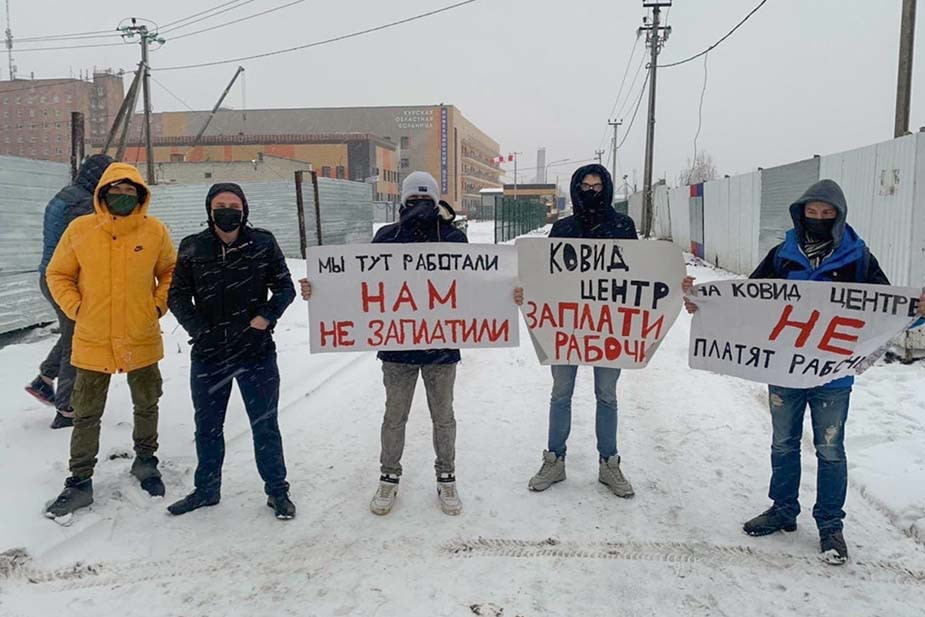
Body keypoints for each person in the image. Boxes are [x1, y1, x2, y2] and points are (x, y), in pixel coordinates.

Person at [682, 178, 925, 565]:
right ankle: (783, 510)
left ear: (839, 216)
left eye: (827, 213)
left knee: (830, 449)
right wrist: (703, 303)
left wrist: (918, 312)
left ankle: (830, 525)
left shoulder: (859, 258)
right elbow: (746, 302)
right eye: (812, 212)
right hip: (784, 370)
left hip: (833, 376)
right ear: (800, 214)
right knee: (783, 443)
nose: (818, 218)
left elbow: (885, 311)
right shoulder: (782, 255)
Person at [300, 171, 467, 516]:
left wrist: (506, 292)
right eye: (414, 198)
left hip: (441, 346)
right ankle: (389, 477)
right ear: (403, 200)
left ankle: (446, 477)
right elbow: (359, 283)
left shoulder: (453, 238)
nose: (419, 204)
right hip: (397, 347)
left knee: (443, 417)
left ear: (436, 200)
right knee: (394, 416)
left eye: (426, 199)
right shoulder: (387, 237)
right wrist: (321, 288)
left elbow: (474, 285)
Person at [43, 163, 176, 518]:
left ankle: (146, 462)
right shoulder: (80, 229)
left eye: (131, 191)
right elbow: (57, 273)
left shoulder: (154, 231)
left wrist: (157, 305)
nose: (123, 196)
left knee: (147, 402)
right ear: (102, 193)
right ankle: (79, 481)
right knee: (86, 412)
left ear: (141, 195)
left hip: (140, 334)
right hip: (93, 337)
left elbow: (170, 271)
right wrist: (77, 308)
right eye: (116, 190)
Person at [166, 183, 297, 520]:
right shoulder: (193, 247)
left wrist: (265, 318)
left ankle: (277, 491)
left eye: (234, 206)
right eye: (220, 206)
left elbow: (285, 287)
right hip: (210, 354)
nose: (227, 211)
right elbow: (177, 296)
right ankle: (207, 490)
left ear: (244, 210)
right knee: (207, 427)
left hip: (256, 351)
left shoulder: (262, 243)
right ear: (209, 211)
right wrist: (199, 330)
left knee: (265, 425)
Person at [514, 164, 638, 498]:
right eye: (585, 186)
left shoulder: (623, 226)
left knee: (607, 395)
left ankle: (609, 463)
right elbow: (545, 274)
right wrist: (525, 291)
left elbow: (639, 274)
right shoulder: (564, 227)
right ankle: (554, 460)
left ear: (606, 188)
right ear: (575, 188)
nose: (591, 191)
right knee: (561, 393)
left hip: (610, 326)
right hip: (566, 325)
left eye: (597, 186)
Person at [25, 154, 113, 428]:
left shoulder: (69, 193)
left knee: (71, 331)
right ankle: (66, 409)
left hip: (51, 276)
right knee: (77, 339)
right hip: (65, 281)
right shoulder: (83, 204)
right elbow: (88, 247)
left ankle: (44, 380)